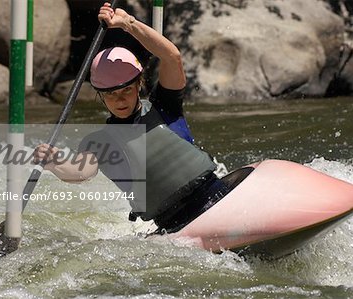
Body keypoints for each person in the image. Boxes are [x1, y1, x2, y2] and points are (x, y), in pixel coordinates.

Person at [34, 2, 230, 233]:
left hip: (216, 196)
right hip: (173, 225)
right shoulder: (100, 142)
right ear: (101, 97)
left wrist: (128, 24)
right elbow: (79, 172)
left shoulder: (164, 105)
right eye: (111, 94)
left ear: (139, 84)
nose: (120, 100)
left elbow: (171, 57)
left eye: (126, 90)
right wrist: (55, 163)